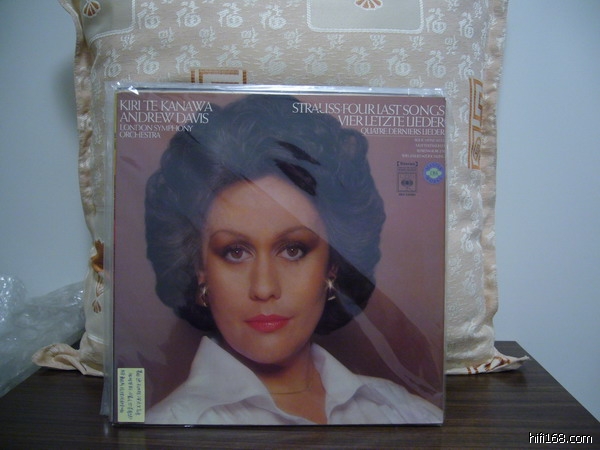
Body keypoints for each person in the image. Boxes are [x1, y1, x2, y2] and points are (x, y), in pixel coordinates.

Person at [143, 93, 442, 425]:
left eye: (293, 250)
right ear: (200, 269)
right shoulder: (168, 428)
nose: (264, 288)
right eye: (236, 252)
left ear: (333, 266)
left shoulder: (403, 413)